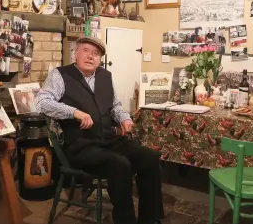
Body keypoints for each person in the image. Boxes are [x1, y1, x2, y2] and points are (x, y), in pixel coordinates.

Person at [35, 36, 164, 224]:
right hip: (81, 146)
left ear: (100, 59)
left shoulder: (105, 76)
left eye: (96, 54)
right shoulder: (60, 75)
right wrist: (74, 112)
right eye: (86, 51)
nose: (90, 56)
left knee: (150, 158)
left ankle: (150, 219)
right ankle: (124, 220)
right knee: (120, 165)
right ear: (76, 53)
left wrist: (125, 118)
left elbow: (115, 106)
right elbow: (41, 102)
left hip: (109, 141)